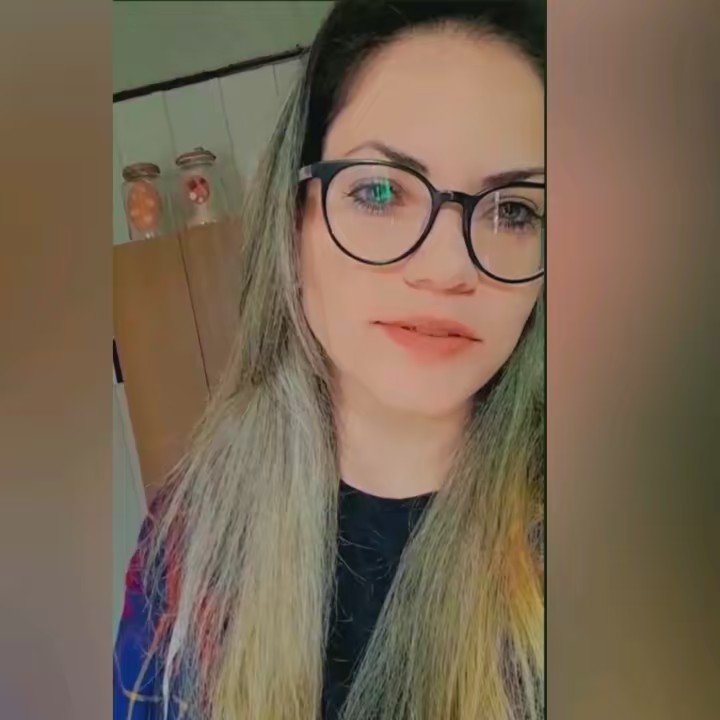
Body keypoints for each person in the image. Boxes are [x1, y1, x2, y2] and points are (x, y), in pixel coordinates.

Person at [113, 1, 546, 718]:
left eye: (514, 210)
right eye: (379, 191)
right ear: (294, 221)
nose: (447, 268)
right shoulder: (188, 544)